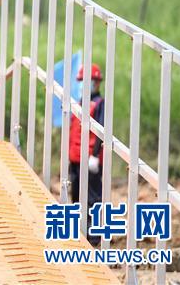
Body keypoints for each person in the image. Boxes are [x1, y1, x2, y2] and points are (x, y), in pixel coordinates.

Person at [68, 63, 104, 244]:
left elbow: (101, 131)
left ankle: (94, 238)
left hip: (90, 159)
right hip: (75, 158)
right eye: (81, 81)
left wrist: (95, 156)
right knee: (76, 197)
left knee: (93, 198)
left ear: (96, 83)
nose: (83, 84)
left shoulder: (100, 104)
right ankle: (79, 234)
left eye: (87, 81)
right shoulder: (78, 104)